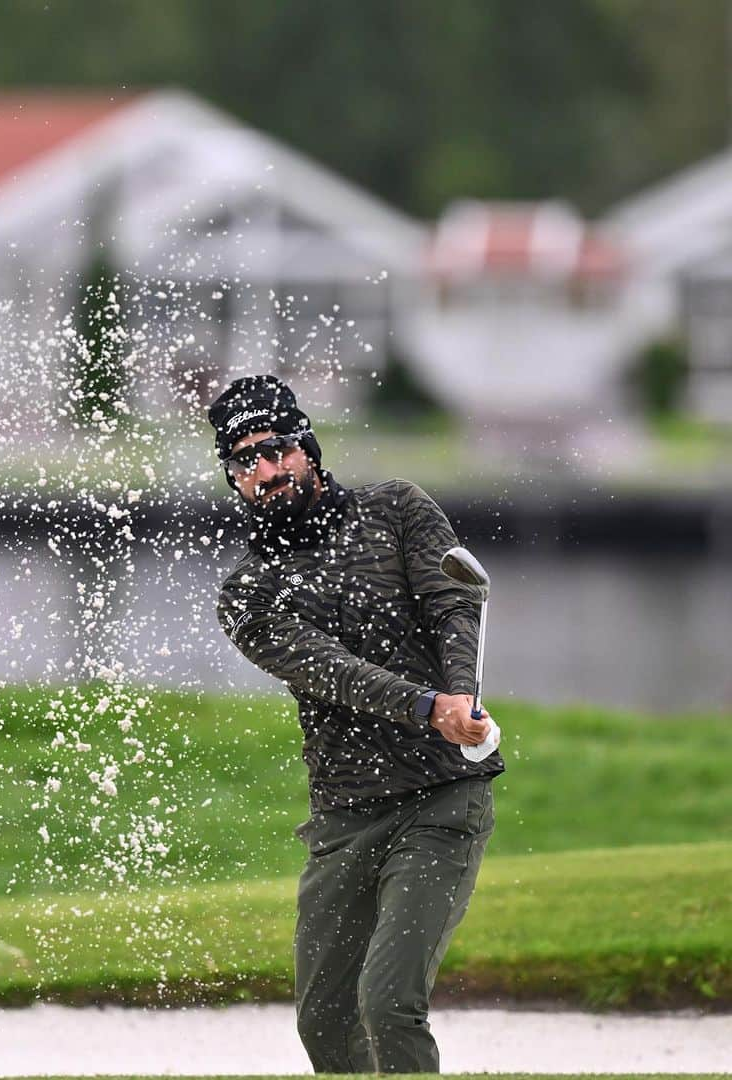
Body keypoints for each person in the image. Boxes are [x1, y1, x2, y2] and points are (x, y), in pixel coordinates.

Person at [207, 374, 505, 1075]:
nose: (266, 471)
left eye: (276, 449)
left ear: (306, 446)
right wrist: (430, 709)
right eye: (245, 461)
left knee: (389, 1001)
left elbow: (453, 606)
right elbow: (329, 670)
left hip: (440, 799)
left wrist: (460, 695)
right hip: (344, 816)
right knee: (325, 1023)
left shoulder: (398, 508)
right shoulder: (247, 592)